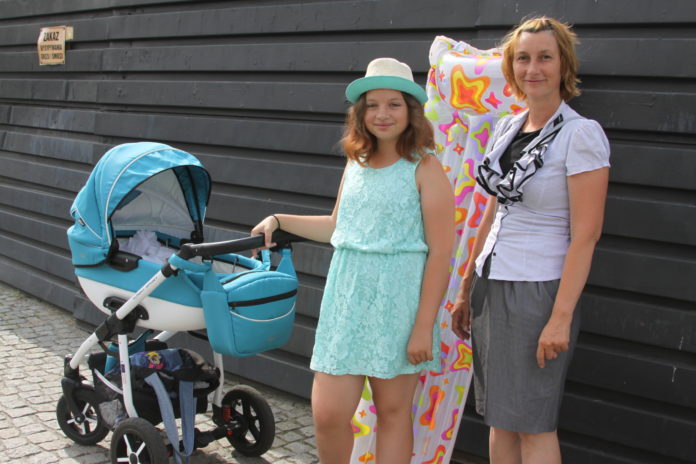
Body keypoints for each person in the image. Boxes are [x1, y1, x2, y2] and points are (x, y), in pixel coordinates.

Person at [251, 57, 455, 464]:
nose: (382, 113)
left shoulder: (426, 167)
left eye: (393, 104)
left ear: (411, 111)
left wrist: (422, 326)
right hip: (347, 302)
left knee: (393, 413)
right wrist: (279, 219)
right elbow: (336, 227)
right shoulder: (355, 162)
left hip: (398, 305)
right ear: (360, 112)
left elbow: (441, 253)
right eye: (373, 105)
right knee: (328, 414)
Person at [450, 17, 610, 464]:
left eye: (544, 57)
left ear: (564, 65)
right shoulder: (508, 128)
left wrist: (560, 318)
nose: (532, 68)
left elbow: (586, 235)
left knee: (533, 423)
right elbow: (492, 213)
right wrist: (466, 286)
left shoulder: (580, 135)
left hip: (538, 289)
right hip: (491, 282)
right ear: (511, 66)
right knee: (501, 418)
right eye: (523, 58)